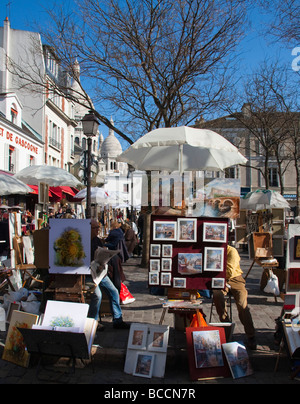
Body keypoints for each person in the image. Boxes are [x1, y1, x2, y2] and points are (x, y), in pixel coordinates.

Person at [212, 245, 257, 349]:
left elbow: (230, 271)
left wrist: (212, 266)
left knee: (242, 304)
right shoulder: (214, 250)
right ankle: (226, 327)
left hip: (235, 279)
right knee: (217, 297)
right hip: (220, 279)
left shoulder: (232, 251)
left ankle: (251, 335)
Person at [88, 218, 129, 330]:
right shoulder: (85, 241)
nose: (97, 230)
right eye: (95, 228)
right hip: (89, 274)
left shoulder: (96, 240)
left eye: (98, 227)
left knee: (114, 291)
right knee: (97, 295)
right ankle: (93, 322)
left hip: (100, 272)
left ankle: (118, 320)